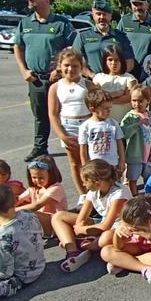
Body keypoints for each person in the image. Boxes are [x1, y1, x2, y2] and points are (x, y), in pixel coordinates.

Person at [12, 0, 73, 161]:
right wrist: (23, 70)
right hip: (36, 79)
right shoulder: (25, 23)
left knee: (67, 112)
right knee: (40, 116)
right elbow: (18, 47)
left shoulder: (61, 23)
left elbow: (71, 48)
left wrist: (59, 69)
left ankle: (74, 143)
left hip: (58, 79)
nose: (29, 0)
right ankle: (40, 148)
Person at [51, 160, 131, 272]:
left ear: (96, 182)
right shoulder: (93, 192)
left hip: (119, 227)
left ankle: (85, 245)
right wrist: (80, 226)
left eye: (85, 181)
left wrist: (82, 229)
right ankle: (73, 251)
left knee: (105, 238)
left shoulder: (119, 194)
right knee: (58, 216)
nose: (83, 184)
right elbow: (81, 218)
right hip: (102, 222)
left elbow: (106, 226)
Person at [47, 48, 95, 194]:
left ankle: (94, 192)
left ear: (81, 67)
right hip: (69, 127)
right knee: (75, 163)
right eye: (66, 65)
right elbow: (53, 114)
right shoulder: (55, 87)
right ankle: (82, 194)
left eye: (75, 66)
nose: (70, 69)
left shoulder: (88, 85)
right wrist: (62, 135)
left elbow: (97, 108)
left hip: (87, 125)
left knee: (90, 161)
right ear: (60, 66)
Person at [99, 194, 151, 285]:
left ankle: (122, 261)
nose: (134, 228)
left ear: (147, 220)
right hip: (136, 247)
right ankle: (144, 268)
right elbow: (118, 248)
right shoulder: (131, 214)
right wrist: (117, 235)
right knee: (105, 251)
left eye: (137, 227)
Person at [74, 0, 135, 77]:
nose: (102, 17)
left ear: (110, 16)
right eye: (98, 14)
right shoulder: (82, 36)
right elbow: (76, 60)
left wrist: (118, 76)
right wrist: (92, 76)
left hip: (115, 82)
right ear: (93, 15)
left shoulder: (121, 37)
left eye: (105, 14)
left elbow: (130, 62)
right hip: (91, 82)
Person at [121, 85, 151, 194]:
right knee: (133, 179)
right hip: (135, 156)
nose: (136, 104)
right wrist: (138, 124)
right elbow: (124, 133)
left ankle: (149, 197)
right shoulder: (129, 117)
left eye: (140, 101)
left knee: (150, 179)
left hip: (149, 155)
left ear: (147, 101)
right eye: (133, 100)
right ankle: (134, 197)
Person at [78, 88, 126, 175]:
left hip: (112, 165)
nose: (109, 111)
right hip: (95, 167)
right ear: (93, 109)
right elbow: (83, 149)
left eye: (109, 108)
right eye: (105, 108)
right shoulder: (85, 126)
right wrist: (85, 167)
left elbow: (119, 143)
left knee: (114, 186)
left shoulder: (113, 123)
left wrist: (122, 161)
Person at [117, 0, 151, 80]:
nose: (138, 7)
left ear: (147, 5)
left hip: (148, 70)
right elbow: (117, 43)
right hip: (127, 69)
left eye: (140, 4)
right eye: (135, 4)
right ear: (131, 5)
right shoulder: (124, 21)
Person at [16, 155, 66, 236]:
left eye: (41, 177)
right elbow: (18, 199)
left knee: (27, 212)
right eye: (34, 177)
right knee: (7, 211)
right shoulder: (34, 189)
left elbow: (37, 206)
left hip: (55, 224)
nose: (37, 180)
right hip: (40, 222)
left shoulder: (56, 188)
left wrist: (12, 210)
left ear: (51, 174)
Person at [92, 44, 137, 123]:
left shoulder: (129, 78)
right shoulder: (98, 78)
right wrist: (116, 94)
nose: (113, 63)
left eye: (117, 60)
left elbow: (128, 97)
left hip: (123, 121)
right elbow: (96, 98)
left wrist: (106, 101)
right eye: (110, 60)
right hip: (104, 122)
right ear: (105, 61)